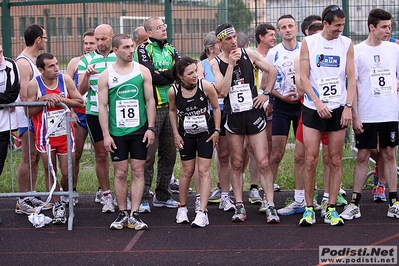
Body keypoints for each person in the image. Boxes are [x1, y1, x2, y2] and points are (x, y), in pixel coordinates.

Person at [210, 23, 279, 223]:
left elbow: (272, 71)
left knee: (263, 161)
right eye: (228, 39)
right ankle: (239, 206)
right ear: (220, 42)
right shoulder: (216, 63)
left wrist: (265, 94)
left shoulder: (248, 53)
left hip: (254, 113)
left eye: (234, 38)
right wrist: (231, 65)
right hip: (233, 116)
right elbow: (222, 91)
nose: (233, 42)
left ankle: (271, 205)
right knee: (237, 162)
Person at [340, 8, 399, 221]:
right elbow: (353, 85)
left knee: (389, 153)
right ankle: (354, 203)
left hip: (389, 112)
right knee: (363, 155)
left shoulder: (394, 49)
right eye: (384, 27)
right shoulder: (357, 51)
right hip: (366, 113)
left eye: (390, 26)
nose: (388, 30)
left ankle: (394, 202)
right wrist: (355, 114)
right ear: (371, 27)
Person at [299, 5, 355, 226]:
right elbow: (303, 77)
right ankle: (309, 208)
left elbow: (352, 77)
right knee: (311, 159)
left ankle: (331, 207)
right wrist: (318, 102)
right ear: (325, 23)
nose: (340, 29)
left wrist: (348, 106)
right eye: (336, 25)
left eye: (342, 25)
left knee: (335, 159)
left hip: (338, 107)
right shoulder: (309, 43)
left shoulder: (347, 44)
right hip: (314, 107)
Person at [98, 34, 155, 230]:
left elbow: (150, 101)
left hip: (139, 131)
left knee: (138, 171)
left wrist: (150, 128)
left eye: (132, 46)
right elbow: (103, 106)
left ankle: (135, 213)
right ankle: (122, 213)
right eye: (126, 47)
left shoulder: (143, 71)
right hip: (117, 132)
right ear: (115, 50)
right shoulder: (106, 75)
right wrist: (106, 134)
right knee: (120, 172)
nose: (131, 50)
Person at [25, 53, 84, 224]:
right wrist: (42, 100)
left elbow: (80, 102)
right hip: (46, 137)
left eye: (57, 64)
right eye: (51, 66)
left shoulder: (65, 80)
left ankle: (65, 196)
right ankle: (57, 204)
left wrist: (61, 100)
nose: (56, 68)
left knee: (67, 173)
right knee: (50, 171)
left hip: (65, 135)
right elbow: (28, 112)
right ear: (41, 69)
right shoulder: (34, 84)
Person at [134, 16, 181, 213]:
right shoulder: (143, 49)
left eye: (164, 25)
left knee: (169, 154)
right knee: (148, 156)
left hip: (171, 108)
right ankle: (143, 197)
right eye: (159, 27)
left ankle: (163, 195)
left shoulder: (171, 49)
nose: (164, 29)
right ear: (149, 33)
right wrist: (166, 75)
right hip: (151, 109)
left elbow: (180, 71)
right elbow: (150, 75)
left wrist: (165, 74)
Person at [170, 56, 220, 227]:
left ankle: (202, 212)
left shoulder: (205, 86)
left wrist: (217, 131)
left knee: (204, 170)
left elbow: (216, 108)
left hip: (205, 133)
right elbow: (171, 111)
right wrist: (176, 134)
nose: (194, 75)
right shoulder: (174, 91)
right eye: (190, 73)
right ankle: (182, 207)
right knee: (187, 171)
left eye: (196, 71)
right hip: (186, 134)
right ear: (180, 76)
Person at [78, 24, 116, 213]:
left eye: (103, 39)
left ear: (112, 37)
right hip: (94, 112)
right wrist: (86, 75)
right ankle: (106, 195)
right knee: (101, 155)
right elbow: (81, 90)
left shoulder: (121, 57)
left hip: (119, 113)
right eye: (97, 40)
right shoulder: (86, 60)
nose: (100, 43)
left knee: (121, 157)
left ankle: (121, 193)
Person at [15, 24, 52, 215]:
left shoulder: (32, 60)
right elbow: (23, 95)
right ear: (38, 40)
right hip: (27, 116)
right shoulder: (23, 62)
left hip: (37, 114)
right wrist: (42, 100)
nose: (45, 41)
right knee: (28, 156)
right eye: (44, 37)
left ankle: (30, 193)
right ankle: (22, 199)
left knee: (35, 157)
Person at [265, 14, 301, 202]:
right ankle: (268, 198)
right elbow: (266, 83)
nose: (288, 30)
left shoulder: (305, 49)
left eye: (290, 26)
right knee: (276, 154)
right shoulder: (274, 53)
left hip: (303, 106)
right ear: (278, 32)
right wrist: (280, 97)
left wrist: (303, 94)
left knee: (302, 155)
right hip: (281, 106)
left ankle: (301, 196)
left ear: (296, 28)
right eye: (283, 27)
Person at [66, 28, 96, 205]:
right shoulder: (75, 62)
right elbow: (65, 88)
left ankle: (103, 191)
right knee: (75, 154)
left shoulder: (103, 61)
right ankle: (73, 190)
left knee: (102, 155)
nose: (88, 46)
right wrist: (70, 110)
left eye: (92, 43)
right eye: (86, 43)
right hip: (79, 113)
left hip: (97, 112)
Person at [0, 44, 20, 175]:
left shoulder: (10, 65)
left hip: (4, 124)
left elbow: (12, 94)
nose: (0, 57)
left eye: (0, 52)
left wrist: (8, 100)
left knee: (1, 158)